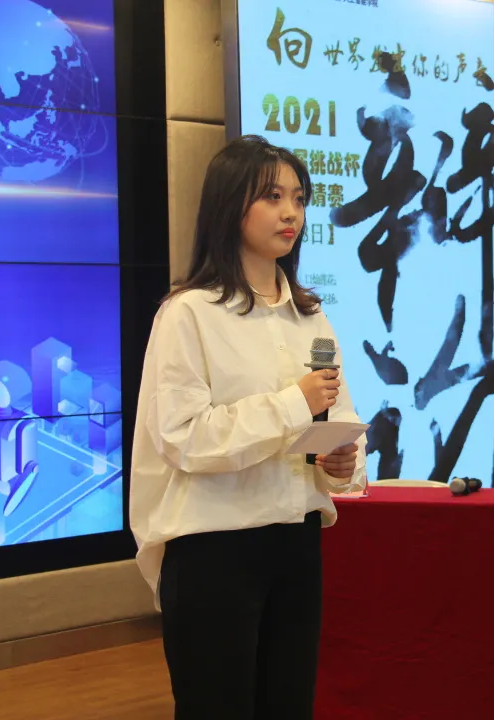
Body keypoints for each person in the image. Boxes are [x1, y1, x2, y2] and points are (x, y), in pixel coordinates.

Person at [129, 134, 366, 719]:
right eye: (272, 197)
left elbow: (337, 416)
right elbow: (184, 437)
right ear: (230, 205)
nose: (292, 213)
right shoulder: (189, 312)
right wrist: (291, 405)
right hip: (214, 549)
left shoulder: (311, 315)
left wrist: (342, 461)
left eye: (299, 198)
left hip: (297, 542)